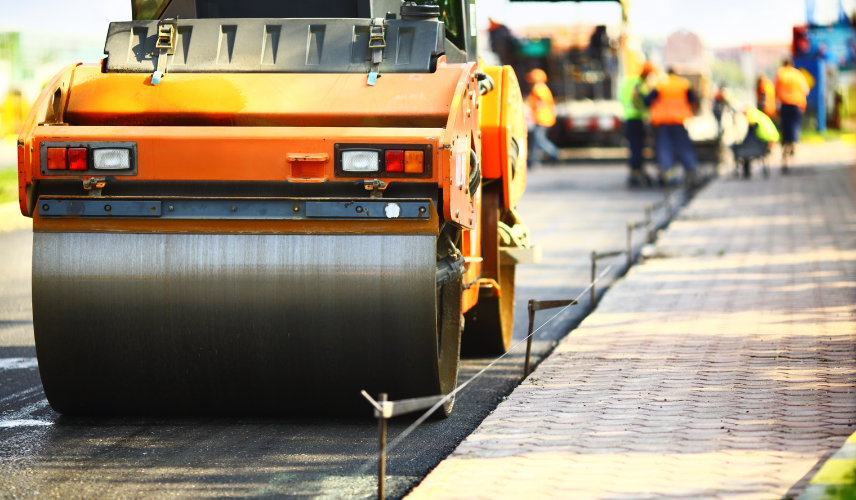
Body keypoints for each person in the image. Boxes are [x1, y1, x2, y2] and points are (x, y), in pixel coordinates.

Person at [644, 68, 699, 187]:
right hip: (679, 121)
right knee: (684, 146)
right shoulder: (683, 83)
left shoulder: (661, 84)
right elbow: (692, 100)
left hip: (663, 122)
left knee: (664, 148)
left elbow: (648, 101)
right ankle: (691, 170)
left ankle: (670, 176)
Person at [619, 61, 656, 186]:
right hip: (636, 118)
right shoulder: (637, 84)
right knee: (637, 146)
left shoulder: (628, 81)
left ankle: (635, 172)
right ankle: (635, 173)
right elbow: (638, 100)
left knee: (635, 146)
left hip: (629, 118)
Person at [775, 59, 810, 173]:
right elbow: (806, 90)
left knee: (786, 128)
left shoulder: (780, 73)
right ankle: (794, 143)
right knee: (795, 125)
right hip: (797, 104)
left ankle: (787, 147)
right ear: (791, 64)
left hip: (785, 104)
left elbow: (775, 90)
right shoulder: (797, 74)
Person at [733, 107, 780, 178]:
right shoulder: (758, 114)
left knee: (745, 149)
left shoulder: (751, 115)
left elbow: (750, 133)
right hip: (769, 138)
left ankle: (746, 173)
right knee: (749, 148)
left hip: (763, 139)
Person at [525, 68, 559, 167]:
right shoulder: (543, 88)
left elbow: (539, 105)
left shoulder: (538, 89)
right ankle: (535, 162)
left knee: (539, 140)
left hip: (541, 119)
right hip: (544, 118)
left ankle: (554, 153)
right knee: (536, 141)